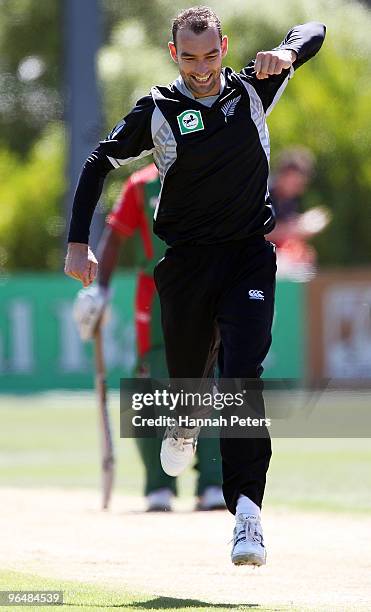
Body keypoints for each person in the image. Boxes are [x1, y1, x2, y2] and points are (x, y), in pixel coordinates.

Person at [65, 6, 326, 566]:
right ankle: (184, 421)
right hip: (185, 266)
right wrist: (76, 243)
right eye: (190, 57)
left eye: (211, 55)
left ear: (225, 47)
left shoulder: (256, 87)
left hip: (248, 259)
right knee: (188, 380)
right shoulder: (157, 109)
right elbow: (97, 161)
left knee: (241, 376)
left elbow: (314, 30)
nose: (202, 68)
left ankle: (248, 515)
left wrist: (288, 53)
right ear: (173, 54)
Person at [74, 162, 225, 512]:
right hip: (155, 295)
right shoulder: (141, 185)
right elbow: (114, 235)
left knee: (213, 378)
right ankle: (159, 486)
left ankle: (213, 482)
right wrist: (102, 290)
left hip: (207, 285)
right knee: (150, 386)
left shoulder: (213, 171)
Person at [268, 147, 330, 280]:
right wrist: (299, 228)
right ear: (285, 175)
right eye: (296, 182)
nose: (300, 187)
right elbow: (261, 232)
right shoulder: (264, 194)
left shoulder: (289, 199)